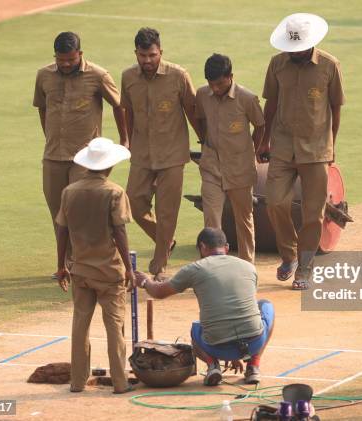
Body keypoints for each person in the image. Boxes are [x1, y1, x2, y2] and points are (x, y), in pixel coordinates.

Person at [259, 13, 345, 290]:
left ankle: (304, 268)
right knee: (274, 202)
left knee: (313, 214)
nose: (294, 53)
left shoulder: (330, 66)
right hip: (282, 145)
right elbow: (270, 104)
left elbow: (336, 107)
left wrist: (331, 144)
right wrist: (263, 141)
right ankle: (289, 256)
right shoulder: (277, 64)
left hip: (317, 149)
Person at [136, 228, 275, 386]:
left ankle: (212, 365)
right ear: (227, 247)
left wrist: (145, 281)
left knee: (196, 329)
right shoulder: (248, 267)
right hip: (253, 343)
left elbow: (159, 292)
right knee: (265, 306)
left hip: (217, 346)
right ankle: (253, 367)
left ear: (202, 247)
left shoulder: (195, 269)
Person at [53, 137, 135, 394]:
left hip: (81, 270)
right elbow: (119, 233)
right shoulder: (114, 192)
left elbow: (62, 232)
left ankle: (77, 382)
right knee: (114, 328)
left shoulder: (70, 192)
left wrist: (61, 266)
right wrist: (130, 269)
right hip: (109, 271)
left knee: (80, 326)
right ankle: (120, 382)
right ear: (109, 166)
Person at [33, 32, 127, 255]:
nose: (65, 64)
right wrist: (49, 136)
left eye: (70, 59)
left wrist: (125, 138)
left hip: (85, 158)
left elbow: (119, 105)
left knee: (81, 210)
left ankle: (84, 259)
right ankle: (66, 262)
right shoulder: (44, 75)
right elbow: (42, 107)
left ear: (80, 54)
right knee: (57, 213)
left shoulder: (98, 75)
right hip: (53, 155)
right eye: (60, 59)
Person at [121, 27, 199, 280]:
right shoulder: (128, 77)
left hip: (173, 154)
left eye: (152, 55)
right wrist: (128, 140)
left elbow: (193, 111)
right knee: (132, 204)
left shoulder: (178, 75)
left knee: (167, 211)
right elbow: (127, 111)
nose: (147, 61)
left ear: (160, 52)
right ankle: (165, 240)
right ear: (136, 53)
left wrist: (207, 142)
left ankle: (159, 267)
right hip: (142, 152)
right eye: (142, 56)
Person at [195, 53, 265, 264]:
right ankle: (214, 268)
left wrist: (251, 149)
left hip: (240, 168)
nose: (214, 89)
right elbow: (199, 119)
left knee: (243, 220)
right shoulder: (202, 95)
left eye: (219, 84)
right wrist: (206, 142)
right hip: (211, 168)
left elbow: (260, 126)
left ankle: (246, 266)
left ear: (230, 76)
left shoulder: (247, 98)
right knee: (211, 221)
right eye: (210, 84)